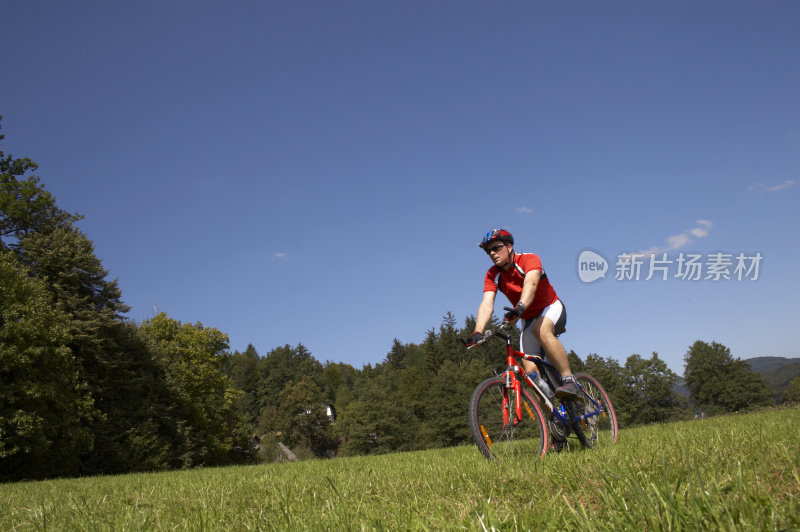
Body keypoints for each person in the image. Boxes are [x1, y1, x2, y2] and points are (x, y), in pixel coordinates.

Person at [466, 228, 579, 398]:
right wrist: (478, 332)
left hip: (550, 307)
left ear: (509, 246)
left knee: (542, 330)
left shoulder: (529, 259)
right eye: (488, 251)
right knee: (531, 374)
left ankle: (569, 380)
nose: (492, 253)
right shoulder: (492, 275)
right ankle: (552, 418)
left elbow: (531, 284)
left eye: (496, 248)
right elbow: (487, 304)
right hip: (527, 318)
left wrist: (520, 306)